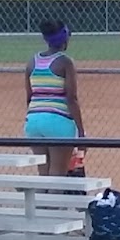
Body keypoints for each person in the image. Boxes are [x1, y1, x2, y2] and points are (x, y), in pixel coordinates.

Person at [24, 20, 84, 178]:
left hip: (33, 121)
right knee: (57, 174)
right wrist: (81, 132)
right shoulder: (65, 62)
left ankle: (42, 196)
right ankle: (54, 196)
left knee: (43, 174)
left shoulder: (32, 62)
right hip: (57, 121)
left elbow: (29, 97)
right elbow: (71, 98)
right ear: (64, 38)